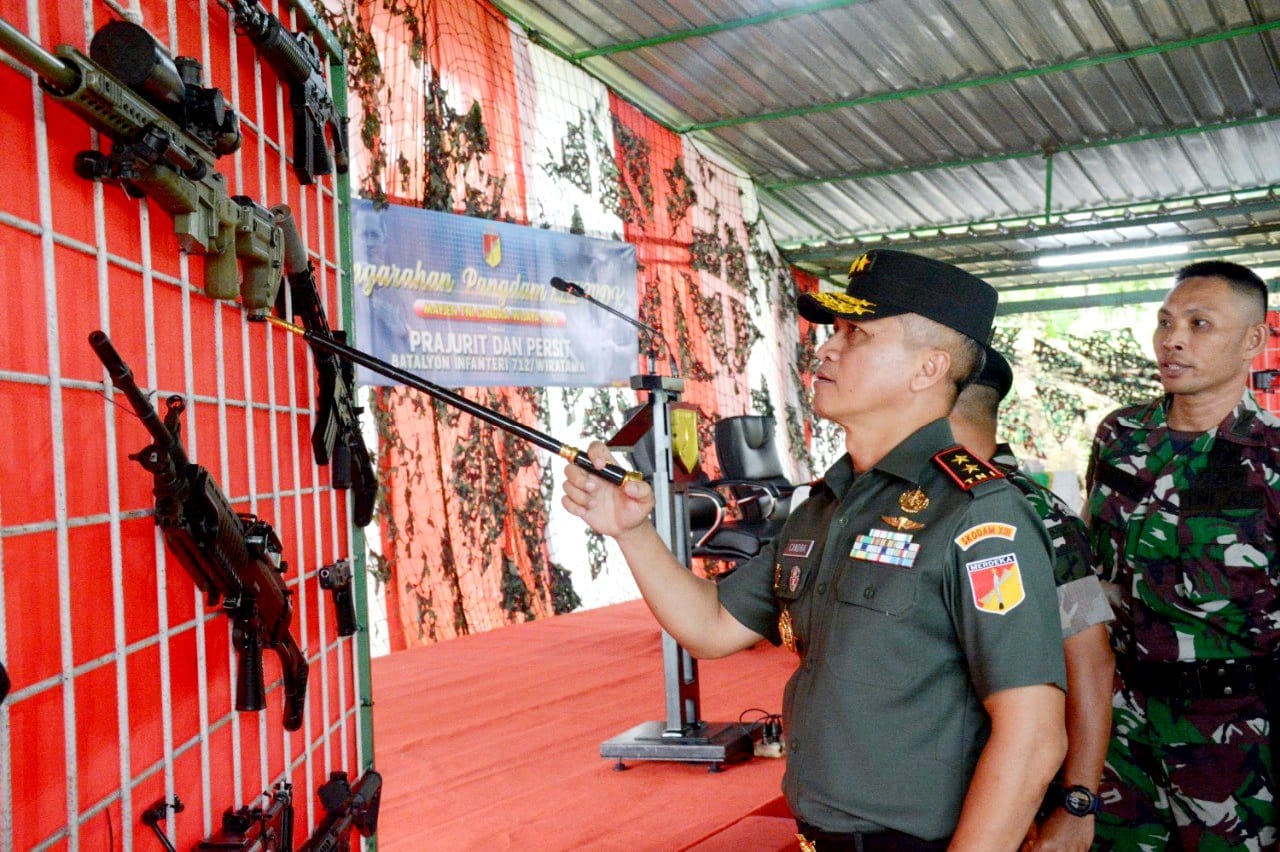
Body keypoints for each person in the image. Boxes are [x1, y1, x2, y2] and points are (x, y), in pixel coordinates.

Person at [563, 249, 1067, 850]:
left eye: (856, 334)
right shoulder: (827, 505)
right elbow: (712, 626)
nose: (826, 349)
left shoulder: (979, 515)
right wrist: (631, 531)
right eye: (834, 332)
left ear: (928, 369)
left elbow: (1034, 734)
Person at [1084, 260, 1279, 850]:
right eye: (1166, 322)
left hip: (1236, 739)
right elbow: (1090, 571)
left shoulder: (1270, 457)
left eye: (1199, 324)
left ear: (1253, 339)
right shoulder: (1120, 436)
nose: (1173, 339)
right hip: (1119, 729)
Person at [949, 348, 1116, 852]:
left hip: (1004, 792)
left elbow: (1090, 658)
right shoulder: (907, 502)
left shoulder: (1035, 512)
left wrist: (1076, 802)